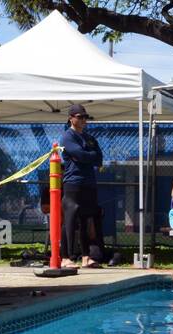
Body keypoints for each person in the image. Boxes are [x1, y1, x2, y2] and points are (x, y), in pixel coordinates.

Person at [57, 103, 104, 269]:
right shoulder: (67, 137)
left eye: (85, 117)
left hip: (89, 182)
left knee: (85, 219)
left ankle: (85, 257)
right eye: (80, 117)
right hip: (73, 182)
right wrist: (86, 156)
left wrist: (86, 156)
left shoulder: (89, 138)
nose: (84, 120)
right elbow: (80, 155)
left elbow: (98, 157)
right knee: (70, 218)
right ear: (71, 118)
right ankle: (66, 257)